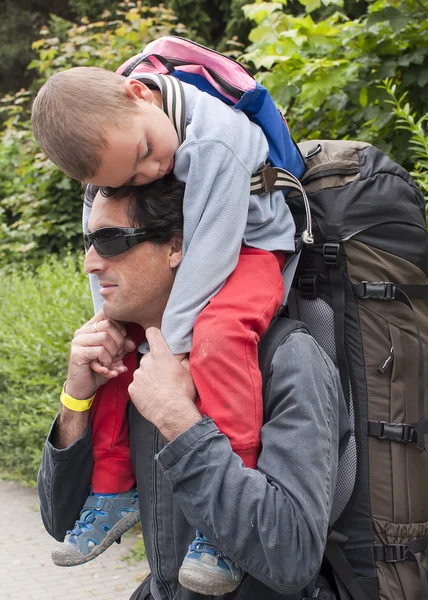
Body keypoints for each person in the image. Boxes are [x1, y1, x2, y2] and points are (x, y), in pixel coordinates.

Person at [31, 62, 296, 594]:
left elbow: (213, 251)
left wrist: (170, 352)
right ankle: (111, 489)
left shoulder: (214, 141)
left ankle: (224, 519)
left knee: (217, 334)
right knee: (120, 339)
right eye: (128, 178)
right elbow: (55, 521)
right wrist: (104, 341)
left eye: (144, 156)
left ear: (140, 94)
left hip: (249, 247)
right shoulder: (127, 137)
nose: (152, 170)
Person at [38, 180, 350, 600]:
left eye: (110, 241)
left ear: (176, 246)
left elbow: (291, 556)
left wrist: (180, 422)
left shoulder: (286, 358)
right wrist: (76, 400)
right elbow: (62, 522)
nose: (90, 264)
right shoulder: (133, 363)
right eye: (89, 241)